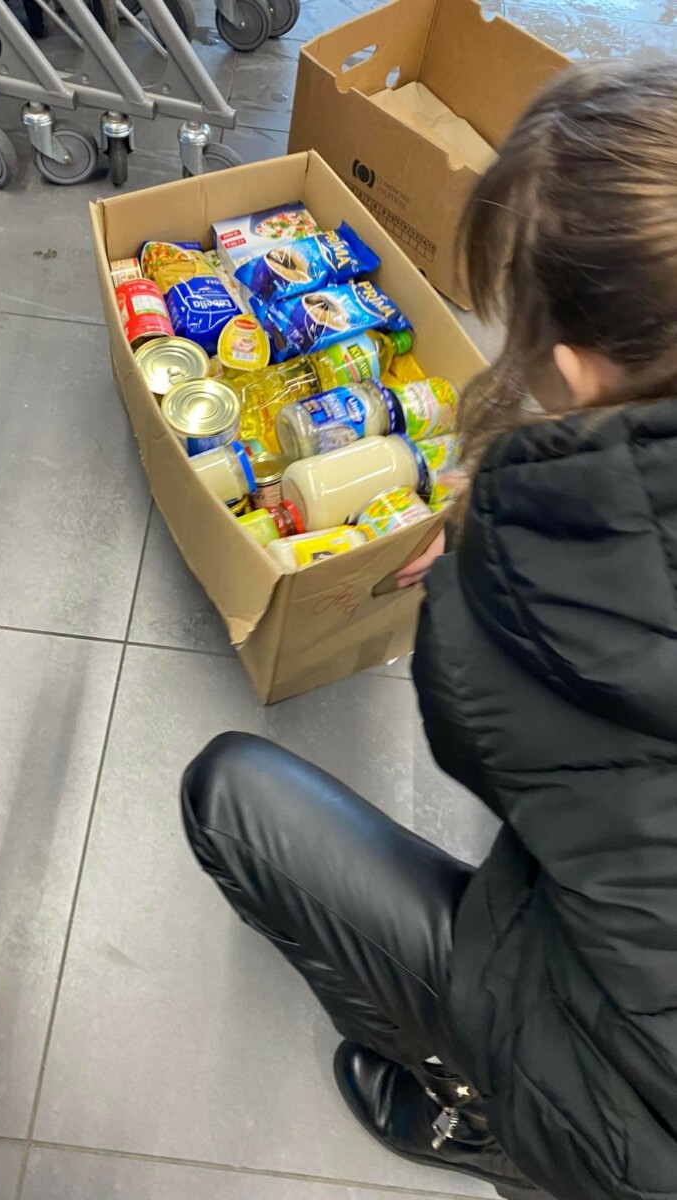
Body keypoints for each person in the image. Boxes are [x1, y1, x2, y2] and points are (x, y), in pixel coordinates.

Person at [181, 57, 677, 1200]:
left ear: (573, 364)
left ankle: (484, 1115)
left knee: (230, 797)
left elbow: (477, 719)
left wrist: (491, 556)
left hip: (626, 1121)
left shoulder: (529, 575)